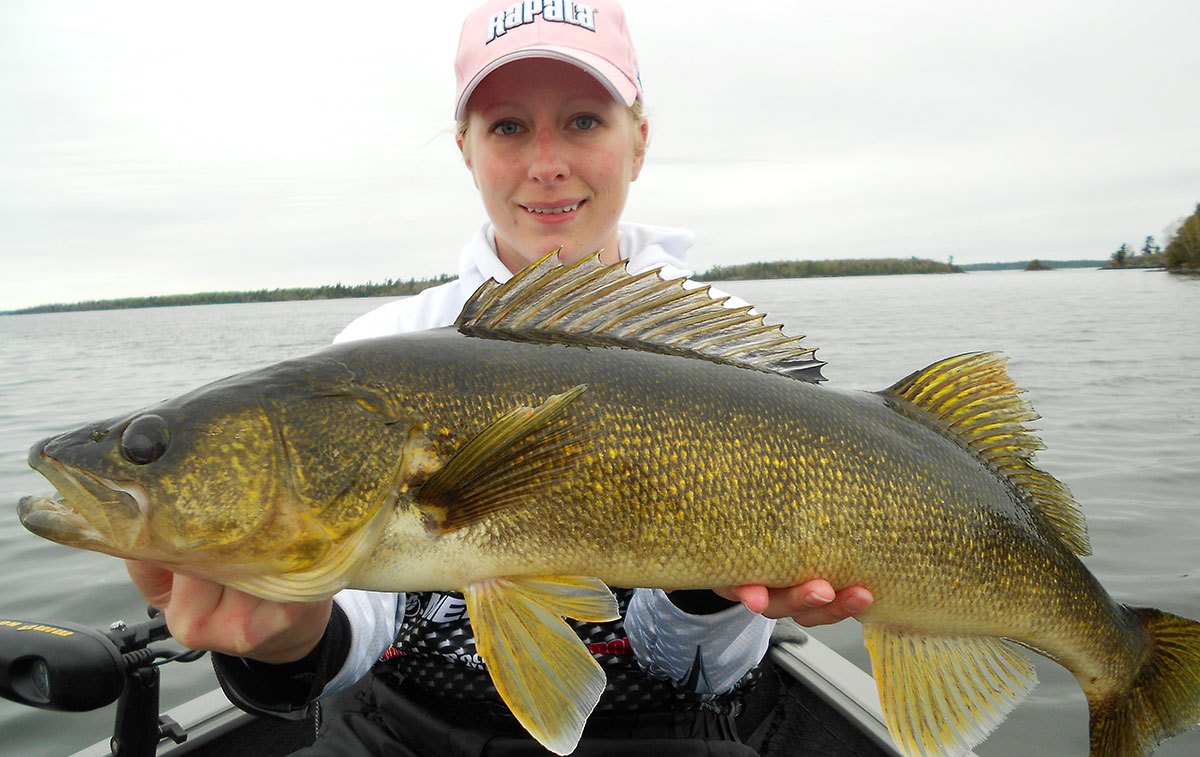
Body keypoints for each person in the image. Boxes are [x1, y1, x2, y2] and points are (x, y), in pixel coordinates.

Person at [126, 1, 873, 754]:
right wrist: (284, 638)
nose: (546, 163)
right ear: (466, 148)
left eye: (583, 120)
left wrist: (711, 586)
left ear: (638, 139)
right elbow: (358, 623)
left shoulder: (729, 365)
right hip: (409, 729)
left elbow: (700, 668)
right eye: (509, 127)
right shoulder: (381, 347)